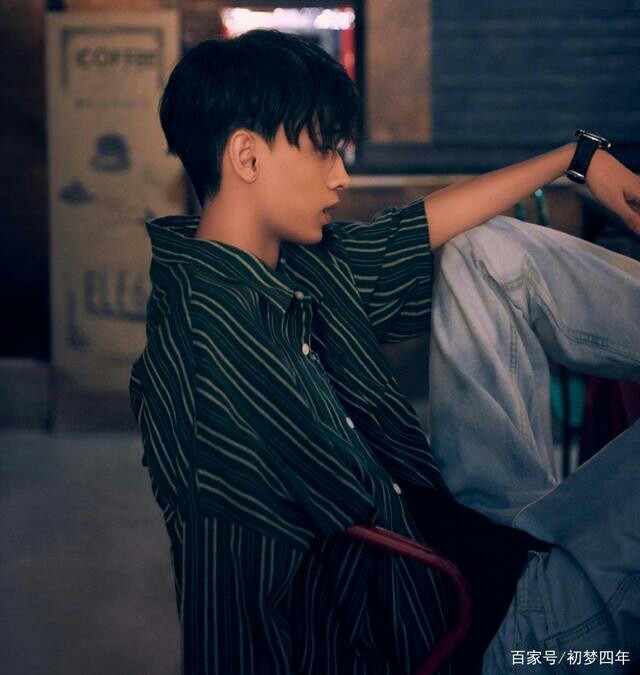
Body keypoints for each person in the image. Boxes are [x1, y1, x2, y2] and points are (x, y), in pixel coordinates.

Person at [128, 29, 640, 674]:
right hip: (480, 633)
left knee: (481, 251)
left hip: (477, 537)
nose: (342, 177)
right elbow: (229, 607)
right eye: (324, 150)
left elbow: (420, 226)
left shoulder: (283, 263)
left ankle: (539, 537)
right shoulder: (211, 371)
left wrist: (578, 158)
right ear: (247, 157)